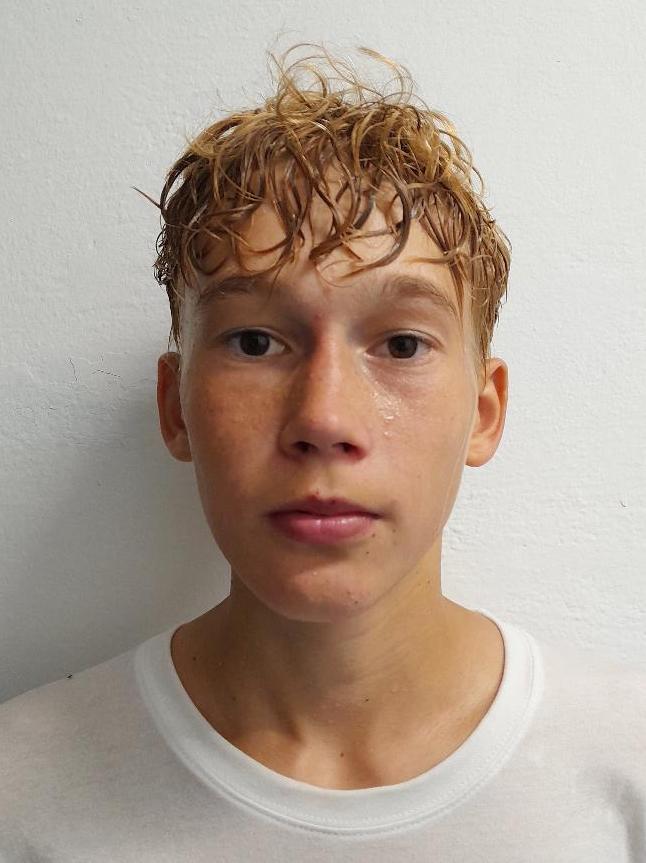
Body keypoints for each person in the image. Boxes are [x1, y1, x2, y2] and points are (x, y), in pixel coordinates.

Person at [1, 42, 644, 862]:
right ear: (175, 407)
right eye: (255, 341)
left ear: (484, 413)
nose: (325, 417)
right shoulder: (21, 792)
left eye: (402, 344)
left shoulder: (625, 764)